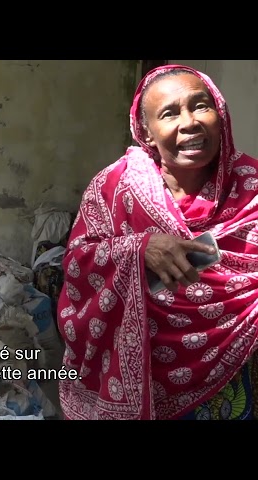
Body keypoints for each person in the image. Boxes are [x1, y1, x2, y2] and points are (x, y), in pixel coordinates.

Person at [56, 64, 258, 420]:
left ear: (220, 113)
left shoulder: (251, 187)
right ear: (146, 133)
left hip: (232, 372)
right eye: (169, 113)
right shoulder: (114, 188)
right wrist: (138, 249)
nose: (190, 122)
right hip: (143, 372)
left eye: (200, 106)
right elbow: (75, 265)